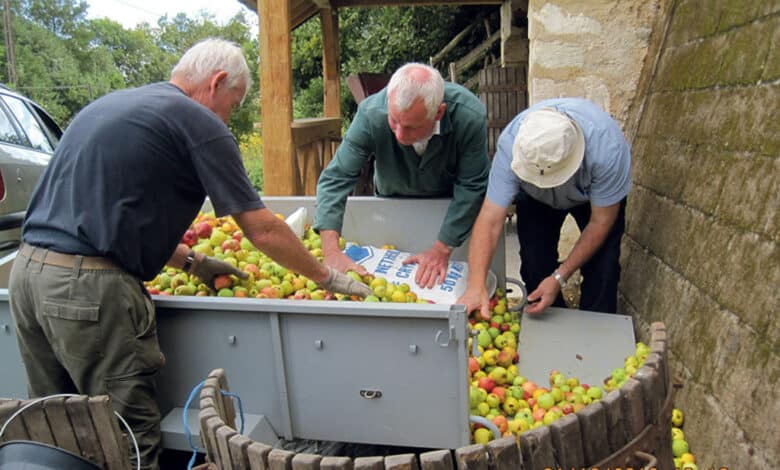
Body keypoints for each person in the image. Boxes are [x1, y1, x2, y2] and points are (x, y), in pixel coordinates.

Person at [8, 38, 370, 470]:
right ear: (217, 82)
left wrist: (193, 263)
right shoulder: (198, 121)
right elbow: (261, 228)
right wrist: (327, 277)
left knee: (56, 428)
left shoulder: (110, 106)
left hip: (26, 278)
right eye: (233, 105)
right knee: (128, 436)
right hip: (88, 293)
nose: (228, 117)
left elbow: (113, 218)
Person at [314, 63, 489, 289]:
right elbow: (336, 179)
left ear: (438, 113)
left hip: (449, 209)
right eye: (394, 121)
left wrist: (442, 248)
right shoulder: (370, 113)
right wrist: (331, 251)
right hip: (391, 202)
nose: (399, 134)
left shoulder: (469, 116)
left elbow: (472, 186)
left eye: (411, 127)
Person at [457, 98, 631, 319]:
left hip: (591, 199)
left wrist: (560, 277)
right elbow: (490, 219)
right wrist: (475, 284)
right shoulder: (510, 145)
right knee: (534, 265)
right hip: (535, 197)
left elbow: (600, 222)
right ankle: (553, 327)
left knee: (603, 269)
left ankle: (596, 329)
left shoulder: (607, 151)